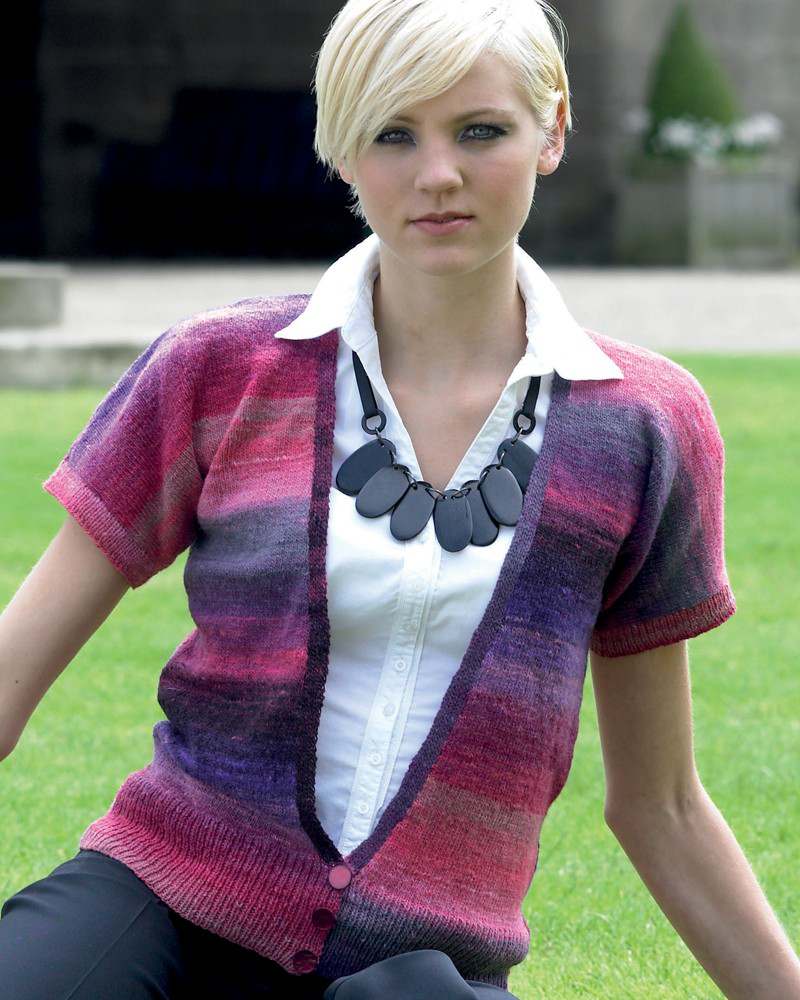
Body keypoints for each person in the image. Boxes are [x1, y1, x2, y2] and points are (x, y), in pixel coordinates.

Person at [4, 0, 800, 997]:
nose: (437, 175)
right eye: (392, 134)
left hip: (418, 965)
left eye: (481, 130)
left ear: (552, 129)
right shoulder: (217, 369)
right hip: (161, 903)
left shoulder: (642, 426)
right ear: (341, 149)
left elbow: (661, 804)